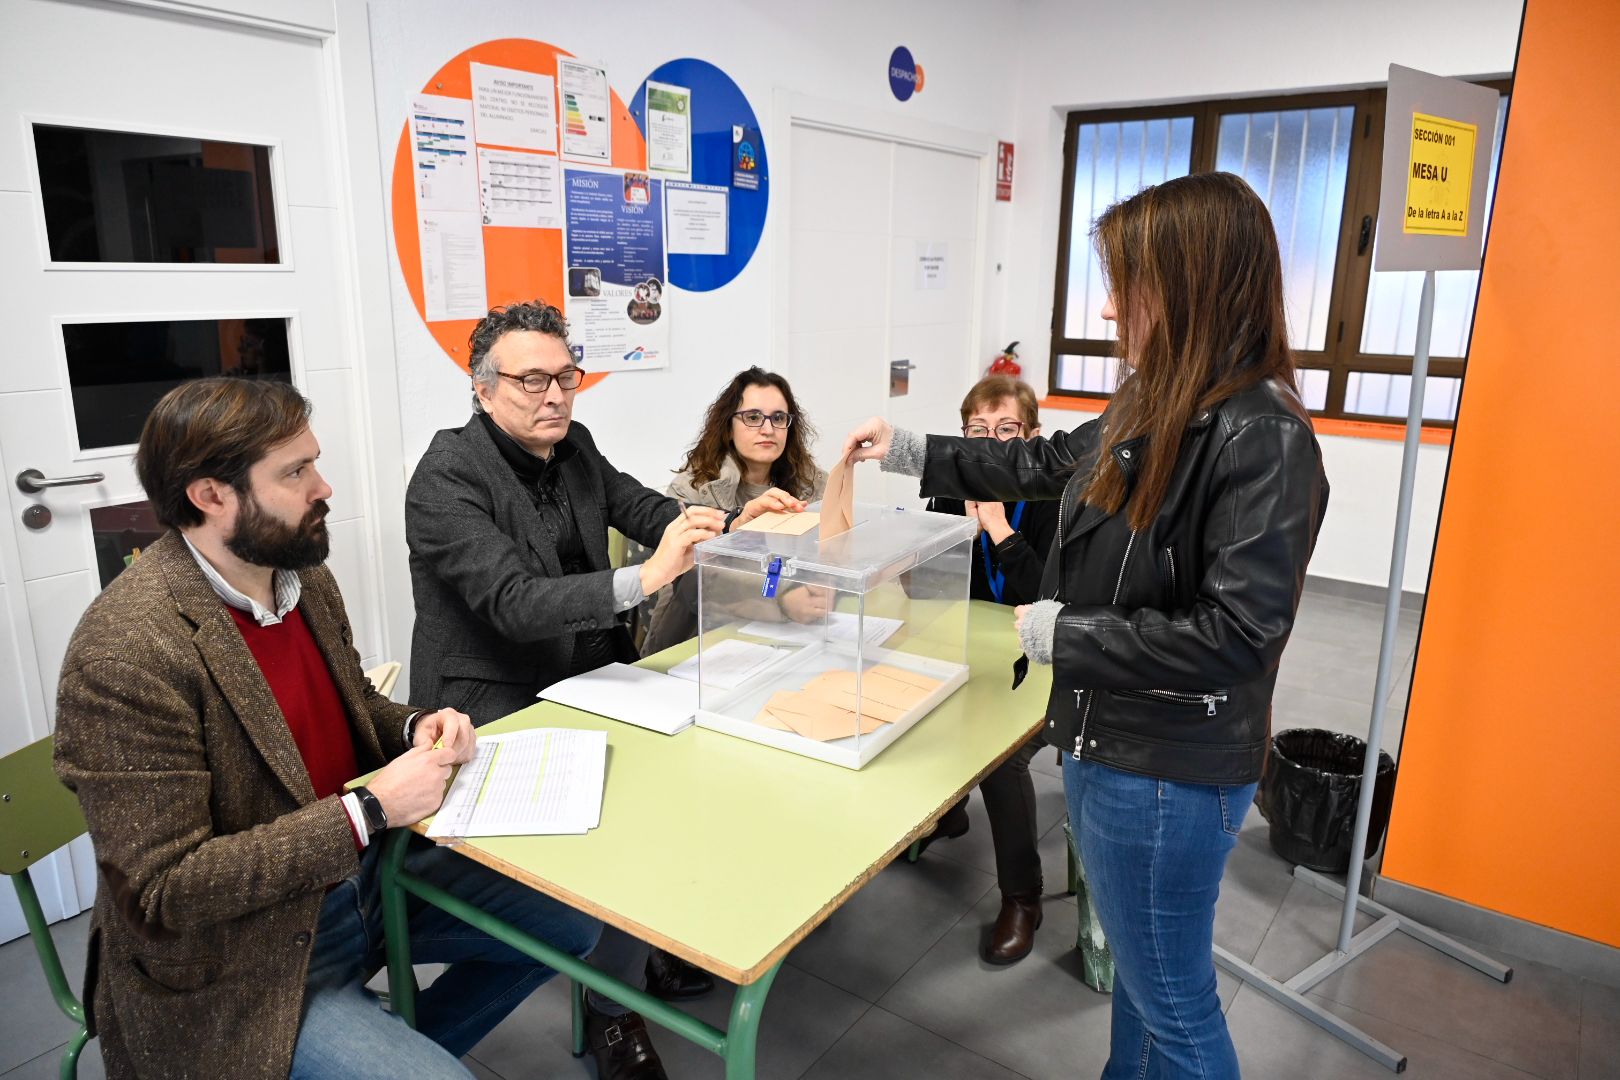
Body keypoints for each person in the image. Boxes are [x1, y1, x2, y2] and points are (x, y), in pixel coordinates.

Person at [845, 172, 1328, 1079]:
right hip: (1115, 740)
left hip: (1168, 768)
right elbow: (1042, 461)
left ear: (1190, 283)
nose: (1108, 307)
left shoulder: (1262, 435)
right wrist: (909, 449)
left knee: (1174, 1003)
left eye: (1126, 282)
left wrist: (1061, 632)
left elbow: (1236, 635)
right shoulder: (1157, 399)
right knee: (1144, 1002)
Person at [53, 377, 601, 1080]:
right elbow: (164, 891)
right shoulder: (128, 650)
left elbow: (350, 707)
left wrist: (413, 728)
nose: (324, 488)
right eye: (295, 472)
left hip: (358, 880)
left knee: (574, 928)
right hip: (239, 951)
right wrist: (367, 811)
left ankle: (406, 1053)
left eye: (314, 462)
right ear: (210, 495)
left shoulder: (298, 576)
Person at [405, 300, 800, 1080]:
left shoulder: (574, 446)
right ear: (482, 388)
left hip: (596, 680)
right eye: (531, 380)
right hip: (498, 703)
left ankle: (625, 970)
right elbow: (513, 603)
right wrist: (646, 577)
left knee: (673, 800)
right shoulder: (447, 475)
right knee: (606, 846)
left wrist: (725, 526)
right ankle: (615, 1009)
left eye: (565, 377)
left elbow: (644, 508)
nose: (555, 395)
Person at [914, 374, 1060, 964]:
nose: (994, 445)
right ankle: (948, 813)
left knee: (1000, 761)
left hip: (1045, 660)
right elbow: (922, 586)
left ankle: (1023, 897)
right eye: (979, 432)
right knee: (916, 702)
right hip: (972, 648)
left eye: (1008, 431)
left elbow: (1047, 599)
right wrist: (948, 537)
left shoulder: (1059, 497)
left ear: (1033, 438)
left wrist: (999, 530)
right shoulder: (954, 488)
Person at [642, 366, 828, 654]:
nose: (768, 429)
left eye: (778, 418)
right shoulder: (692, 489)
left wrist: (827, 587)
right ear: (729, 427)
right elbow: (692, 583)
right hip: (698, 640)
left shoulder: (811, 485)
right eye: (753, 417)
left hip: (793, 637)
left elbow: (831, 556)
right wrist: (782, 598)